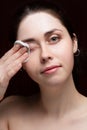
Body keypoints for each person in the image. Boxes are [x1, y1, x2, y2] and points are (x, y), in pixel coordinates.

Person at [0, 0, 87, 129]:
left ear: (74, 43)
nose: (45, 55)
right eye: (30, 48)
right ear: (19, 60)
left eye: (54, 39)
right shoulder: (8, 112)